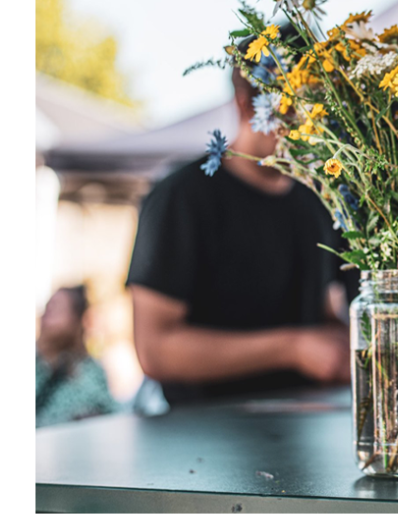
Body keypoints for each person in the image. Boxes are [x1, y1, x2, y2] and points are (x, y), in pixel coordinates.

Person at [126, 27, 352, 407]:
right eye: (296, 109)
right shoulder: (181, 197)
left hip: (303, 430)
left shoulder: (318, 202)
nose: (311, 126)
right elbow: (154, 350)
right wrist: (292, 348)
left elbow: (326, 311)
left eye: (318, 109)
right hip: (202, 442)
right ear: (247, 105)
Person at [36, 286, 118, 427]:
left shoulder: (91, 370)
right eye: (47, 308)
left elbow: (108, 412)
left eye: (56, 307)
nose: (47, 314)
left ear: (76, 317)